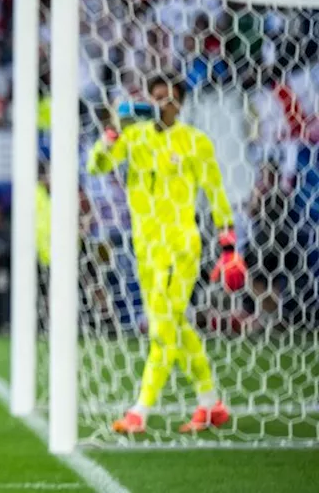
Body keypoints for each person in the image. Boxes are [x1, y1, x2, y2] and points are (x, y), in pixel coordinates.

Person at [91, 73, 245, 435]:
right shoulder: (135, 137)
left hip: (181, 248)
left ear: (179, 103)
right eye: (155, 97)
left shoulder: (195, 142)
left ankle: (139, 411)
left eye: (167, 98)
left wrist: (229, 247)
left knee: (162, 328)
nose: (160, 104)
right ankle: (211, 404)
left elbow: (216, 194)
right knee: (174, 326)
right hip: (145, 250)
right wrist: (112, 130)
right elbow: (96, 165)